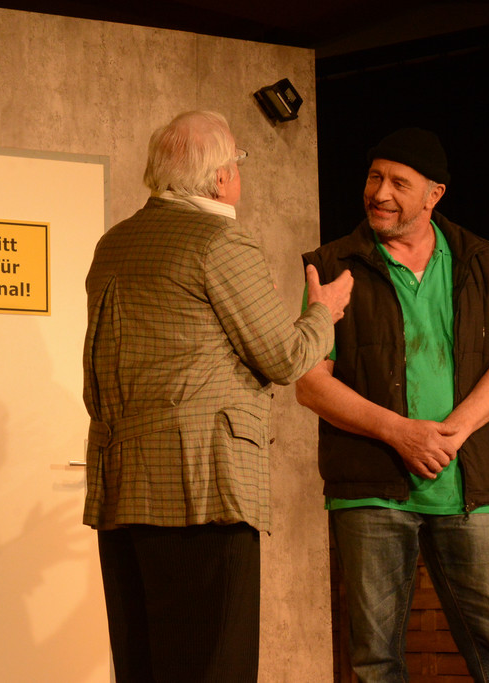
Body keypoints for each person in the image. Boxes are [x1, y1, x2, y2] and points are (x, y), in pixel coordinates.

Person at [81, 110, 352, 683]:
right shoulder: (220, 240)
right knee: (214, 666)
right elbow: (284, 357)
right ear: (220, 177)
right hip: (204, 488)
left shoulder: (114, 244)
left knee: (144, 666)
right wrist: (323, 313)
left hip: (122, 489)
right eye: (237, 161)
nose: (238, 174)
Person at [296, 127, 489, 682]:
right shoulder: (334, 265)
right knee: (376, 660)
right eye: (374, 177)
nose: (379, 192)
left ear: (434, 194)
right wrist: (400, 433)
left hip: (465, 484)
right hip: (372, 486)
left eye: (398, 183)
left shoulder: (479, 262)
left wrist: (451, 433)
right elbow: (309, 382)